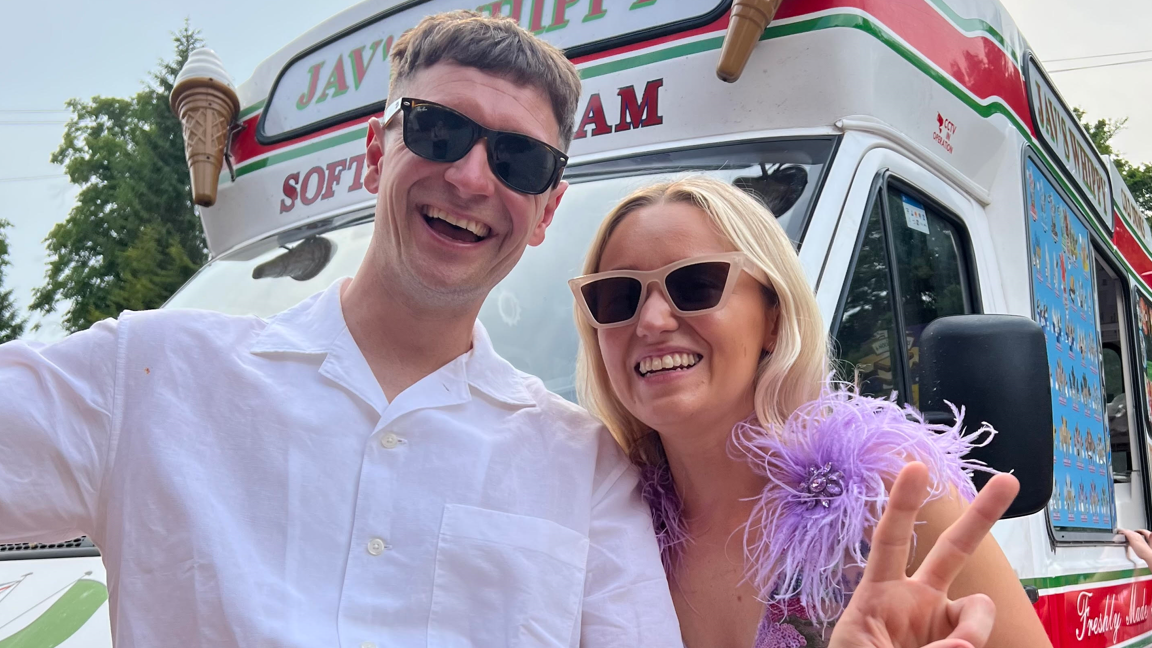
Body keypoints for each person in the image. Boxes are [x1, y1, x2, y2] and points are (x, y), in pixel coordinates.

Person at [0, 12, 684, 647]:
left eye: (520, 161)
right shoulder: (150, 376)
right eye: (437, 130)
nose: (471, 176)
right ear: (373, 153)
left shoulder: (587, 469)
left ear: (546, 211)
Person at [570, 176, 1053, 648]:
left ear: (773, 319)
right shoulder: (603, 520)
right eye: (617, 297)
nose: (652, 321)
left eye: (697, 285)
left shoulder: (889, 498)